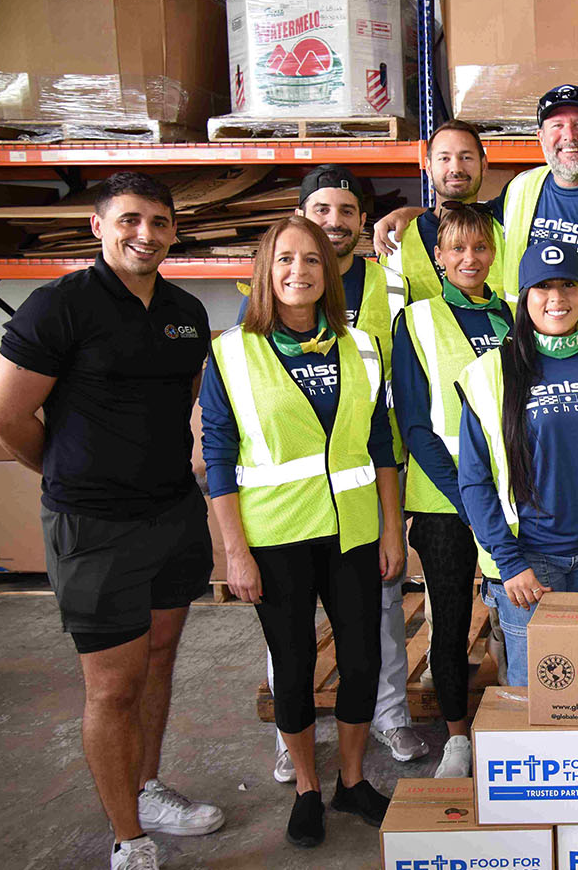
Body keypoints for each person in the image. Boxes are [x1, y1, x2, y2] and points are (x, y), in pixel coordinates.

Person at [0, 171, 224, 870]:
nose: (145, 235)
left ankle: (147, 789)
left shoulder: (183, 311)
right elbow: (4, 415)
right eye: (129, 220)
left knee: (158, 660)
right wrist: (69, 473)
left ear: (174, 232)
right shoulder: (59, 306)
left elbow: (190, 401)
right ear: (98, 227)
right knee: (113, 685)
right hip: (93, 525)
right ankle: (129, 838)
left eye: (159, 222)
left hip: (171, 512)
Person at [202, 216, 402, 848]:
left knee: (363, 660)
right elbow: (217, 456)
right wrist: (235, 553)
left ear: (328, 272)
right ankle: (308, 789)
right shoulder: (230, 352)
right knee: (292, 667)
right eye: (285, 259)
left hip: (353, 531)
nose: (299, 271)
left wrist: (392, 531)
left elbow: (381, 445)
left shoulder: (361, 346)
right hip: (277, 535)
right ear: (266, 271)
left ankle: (351, 781)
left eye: (311, 259)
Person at [242, 166, 429, 777]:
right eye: (321, 209)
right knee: (288, 630)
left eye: (347, 211)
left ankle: (390, 715)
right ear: (300, 217)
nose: (334, 222)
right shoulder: (274, 291)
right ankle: (289, 737)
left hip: (370, 468)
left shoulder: (391, 283)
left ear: (363, 221)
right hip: (290, 498)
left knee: (380, 608)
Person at [456, 240, 578, 684]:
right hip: (529, 563)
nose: (557, 298)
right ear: (524, 296)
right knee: (536, 695)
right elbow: (474, 481)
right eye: (543, 287)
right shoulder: (491, 373)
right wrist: (510, 563)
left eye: (568, 285)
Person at [392, 204, 513, 777]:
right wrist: (470, 502)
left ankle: (517, 716)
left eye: (480, 247)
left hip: (510, 497)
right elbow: (416, 424)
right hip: (447, 504)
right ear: (438, 256)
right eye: (457, 248)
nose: (470, 258)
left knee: (513, 615)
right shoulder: (416, 320)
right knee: (449, 619)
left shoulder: (513, 314)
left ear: (494, 254)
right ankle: (457, 737)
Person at [376, 85, 578, 308]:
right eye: (557, 126)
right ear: (541, 137)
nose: (569, 136)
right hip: (524, 347)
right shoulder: (521, 188)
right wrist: (407, 214)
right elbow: (462, 210)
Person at [376, 119, 506, 300]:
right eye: (444, 158)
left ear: (484, 165)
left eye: (466, 157)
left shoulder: (506, 228)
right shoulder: (396, 241)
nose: (456, 168)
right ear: (428, 167)